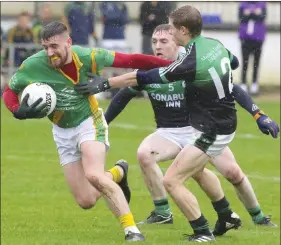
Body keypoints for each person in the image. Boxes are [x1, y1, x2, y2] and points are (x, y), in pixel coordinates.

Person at [74, 6, 279, 242]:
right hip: (208, 125)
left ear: (182, 31)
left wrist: (104, 84)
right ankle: (221, 215)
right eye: (156, 40)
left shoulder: (186, 65)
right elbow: (232, 64)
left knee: (175, 179)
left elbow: (141, 77)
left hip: (210, 128)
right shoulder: (215, 45)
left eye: (170, 31)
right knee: (188, 170)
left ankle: (207, 231)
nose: (165, 39)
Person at [2, 21, 174, 242]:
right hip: (62, 132)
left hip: (89, 123)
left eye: (54, 46)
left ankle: (131, 230)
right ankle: (117, 173)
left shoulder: (88, 56)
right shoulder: (34, 65)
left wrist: (172, 64)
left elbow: (129, 60)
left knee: (93, 174)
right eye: (45, 47)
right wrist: (16, 110)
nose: (50, 52)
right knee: (87, 200)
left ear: (69, 43)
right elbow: (10, 90)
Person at [238, 1, 267, 95]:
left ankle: (254, 84)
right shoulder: (243, 4)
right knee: (245, 61)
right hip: (245, 38)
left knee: (256, 62)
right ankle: (243, 83)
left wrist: (249, 13)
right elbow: (241, 18)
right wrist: (254, 13)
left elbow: (262, 17)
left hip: (258, 38)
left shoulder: (262, 4)